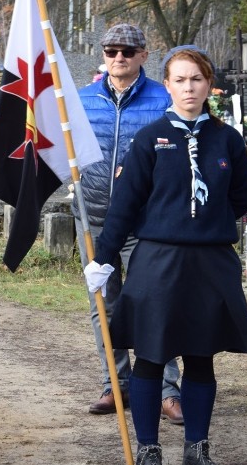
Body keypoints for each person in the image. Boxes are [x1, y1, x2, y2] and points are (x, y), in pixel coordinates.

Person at [84, 45, 247, 465]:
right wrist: (104, 259)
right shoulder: (150, 139)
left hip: (210, 262)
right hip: (158, 262)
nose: (188, 87)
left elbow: (242, 196)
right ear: (167, 85)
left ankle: (197, 454)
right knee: (150, 358)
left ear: (208, 85)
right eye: (179, 80)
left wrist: (208, 221)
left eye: (196, 79)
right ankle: (149, 453)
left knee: (201, 360)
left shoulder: (228, 140)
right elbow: (125, 206)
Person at [74, 23, 183, 422]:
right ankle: (114, 385)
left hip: (147, 222)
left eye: (127, 50)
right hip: (95, 218)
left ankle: (166, 391)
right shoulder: (81, 101)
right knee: (103, 304)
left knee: (156, 304)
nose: (118, 57)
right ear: (102, 56)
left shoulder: (162, 100)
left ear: (143, 56)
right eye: (111, 50)